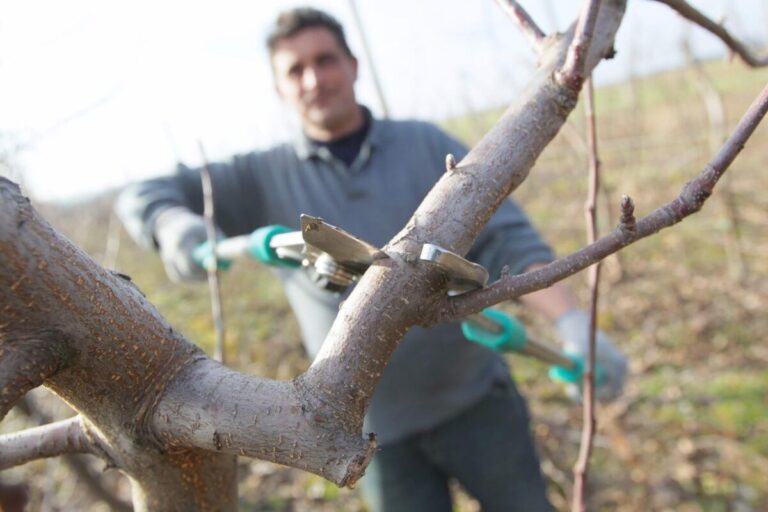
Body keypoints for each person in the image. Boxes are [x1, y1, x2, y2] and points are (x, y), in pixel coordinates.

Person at [116, 7, 627, 511]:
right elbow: (144, 193)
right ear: (280, 90)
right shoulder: (259, 176)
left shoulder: (427, 146)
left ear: (352, 65)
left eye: (325, 60)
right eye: (296, 70)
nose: (314, 79)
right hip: (372, 439)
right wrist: (172, 226)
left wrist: (571, 321)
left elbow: (512, 239)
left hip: (477, 405)